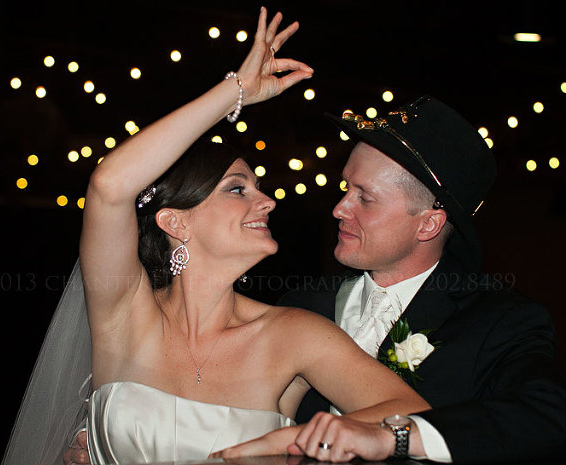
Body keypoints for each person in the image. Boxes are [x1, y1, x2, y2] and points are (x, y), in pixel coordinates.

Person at [2, 8, 432, 465]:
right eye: (237, 189)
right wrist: (237, 90)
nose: (267, 202)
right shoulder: (124, 314)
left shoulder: (294, 334)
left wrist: (308, 444)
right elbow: (109, 185)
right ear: (176, 223)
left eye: (258, 188)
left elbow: (417, 418)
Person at [214, 96, 566, 462]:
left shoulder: (499, 321)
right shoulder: (300, 305)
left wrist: (394, 437)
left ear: (428, 225)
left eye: (364, 198)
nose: (339, 209)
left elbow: (549, 416)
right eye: (346, 188)